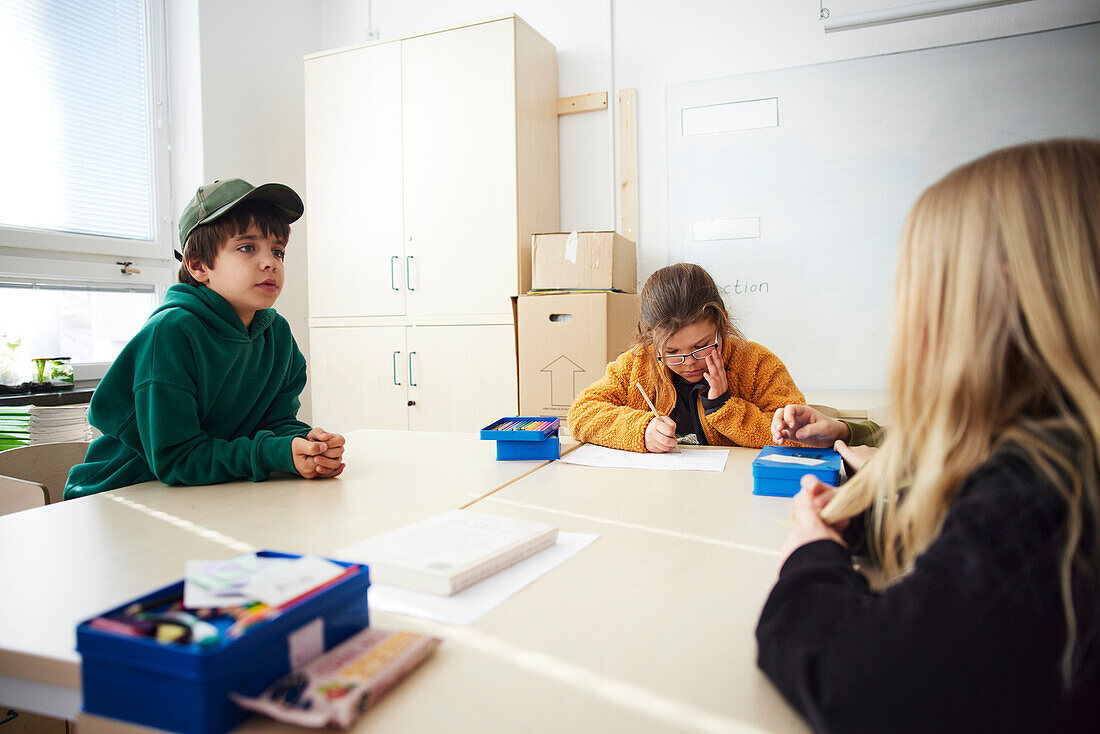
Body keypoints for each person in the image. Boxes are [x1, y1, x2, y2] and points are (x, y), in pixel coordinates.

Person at [756, 140, 1100, 733]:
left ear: (999, 298)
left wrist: (811, 558)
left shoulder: (1048, 489)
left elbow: (858, 684)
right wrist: (879, 521)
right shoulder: (1060, 449)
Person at [65, 179, 344, 498]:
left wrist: (307, 446)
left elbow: (275, 422)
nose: (270, 262)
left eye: (278, 251)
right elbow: (177, 459)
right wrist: (271, 453)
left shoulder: (276, 333)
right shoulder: (171, 332)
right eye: (247, 247)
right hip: (126, 492)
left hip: (211, 491)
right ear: (197, 265)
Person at [567, 262, 805, 452]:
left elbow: (801, 436)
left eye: (701, 346)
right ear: (651, 338)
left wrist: (724, 407)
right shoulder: (637, 364)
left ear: (723, 323)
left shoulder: (756, 364)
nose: (688, 361)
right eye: (671, 352)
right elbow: (581, 413)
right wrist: (641, 430)